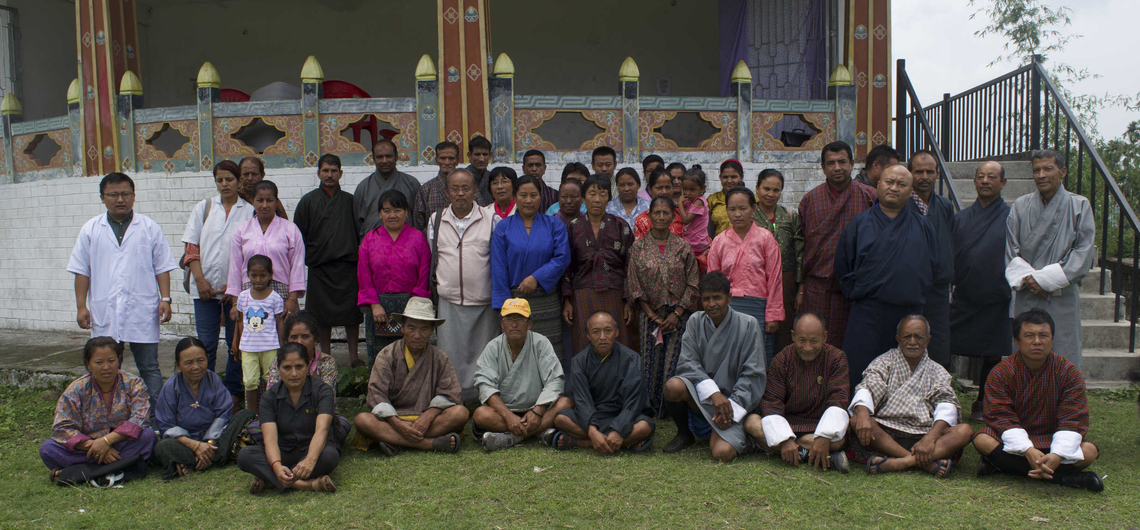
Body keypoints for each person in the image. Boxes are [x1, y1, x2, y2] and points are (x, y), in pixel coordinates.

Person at [69, 173, 177, 413]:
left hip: (142, 309)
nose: (120, 199)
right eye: (113, 195)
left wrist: (165, 299)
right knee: (107, 368)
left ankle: (156, 419)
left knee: (149, 367)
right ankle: (108, 415)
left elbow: (162, 267)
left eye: (125, 194)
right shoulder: (90, 229)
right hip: (105, 310)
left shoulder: (148, 227)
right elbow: (81, 271)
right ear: (102, 197)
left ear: (133, 196)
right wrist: (81, 306)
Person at [972, 309, 1104, 492]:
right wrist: (1027, 449)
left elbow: (1073, 418)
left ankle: (1003, 466)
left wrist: (1057, 454)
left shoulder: (1068, 372)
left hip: (1052, 439)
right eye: (1029, 336)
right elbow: (1000, 416)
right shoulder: (1001, 372)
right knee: (982, 439)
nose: (1037, 341)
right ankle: (1064, 478)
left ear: (1052, 339)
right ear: (1017, 341)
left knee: (1089, 451)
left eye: (1043, 335)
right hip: (1014, 443)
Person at [835, 165, 938, 385]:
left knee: (907, 374)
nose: (894, 188)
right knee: (862, 372)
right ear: (879, 184)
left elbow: (934, 266)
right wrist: (861, 291)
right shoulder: (859, 224)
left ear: (910, 190)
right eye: (889, 182)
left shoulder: (923, 226)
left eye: (901, 184)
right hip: (868, 314)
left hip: (909, 314)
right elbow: (843, 267)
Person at [848, 315, 973, 478]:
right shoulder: (884, 362)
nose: (912, 342)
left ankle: (900, 462)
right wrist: (863, 415)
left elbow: (946, 403)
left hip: (924, 435)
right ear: (898, 339)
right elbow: (869, 386)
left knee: (965, 431)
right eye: (907, 336)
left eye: (918, 337)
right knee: (857, 420)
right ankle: (921, 462)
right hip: (887, 432)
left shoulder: (937, 370)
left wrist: (930, 438)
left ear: (928, 340)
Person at [662, 272, 766, 462]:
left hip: (734, 403)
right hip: (706, 399)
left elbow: (753, 374)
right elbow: (688, 363)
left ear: (729, 298)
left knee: (722, 453)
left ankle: (749, 439)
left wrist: (731, 409)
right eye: (706, 299)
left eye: (717, 297)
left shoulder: (748, 325)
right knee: (672, 386)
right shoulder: (695, 321)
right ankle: (684, 434)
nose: (711, 304)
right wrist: (713, 393)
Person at [1006, 149, 1095, 368]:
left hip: (1060, 292)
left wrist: (1045, 280)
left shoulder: (1079, 205)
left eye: (1048, 169)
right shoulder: (1020, 205)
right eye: (1036, 170)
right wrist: (1030, 280)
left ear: (1062, 171)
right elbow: (1011, 250)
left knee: (1063, 351)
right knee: (1026, 350)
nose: (1041, 175)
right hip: (1027, 290)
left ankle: (1064, 390)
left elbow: (1083, 252)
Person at [353, 297, 469, 455]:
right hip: (393, 418)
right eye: (412, 328)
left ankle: (394, 440)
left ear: (432, 330)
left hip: (428, 419)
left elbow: (451, 392)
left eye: (424, 329)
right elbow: (376, 394)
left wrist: (428, 416)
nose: (417, 335)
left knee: (460, 413)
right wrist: (396, 423)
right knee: (362, 420)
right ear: (402, 328)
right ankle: (429, 444)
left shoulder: (439, 357)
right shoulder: (387, 355)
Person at [426, 168, 502, 402]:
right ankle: (452, 395)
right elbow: (433, 254)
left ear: (475, 190)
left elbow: (499, 258)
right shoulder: (436, 220)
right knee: (451, 352)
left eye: (466, 188)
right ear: (447, 192)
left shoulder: (491, 219)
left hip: (483, 300)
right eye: (455, 189)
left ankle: (485, 396)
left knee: (485, 352)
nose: (460, 193)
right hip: (449, 300)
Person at [183, 160, 254, 408]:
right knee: (206, 344)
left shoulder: (249, 211)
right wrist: (200, 281)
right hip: (203, 292)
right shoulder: (204, 208)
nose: (225, 184)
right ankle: (205, 390)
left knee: (236, 343)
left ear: (239, 181)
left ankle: (233, 392)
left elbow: (250, 253)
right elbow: (191, 248)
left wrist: (233, 288)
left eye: (229, 179)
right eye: (220, 180)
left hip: (235, 293)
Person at [743, 313, 850, 472]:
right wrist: (784, 438)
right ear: (793, 336)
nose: (807, 347)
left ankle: (775, 447)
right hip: (788, 423)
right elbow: (772, 402)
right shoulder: (781, 359)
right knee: (751, 422)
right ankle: (806, 454)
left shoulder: (836, 358)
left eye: (814, 341)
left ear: (825, 337)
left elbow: (839, 399)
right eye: (802, 340)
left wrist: (824, 436)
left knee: (838, 440)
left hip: (818, 426)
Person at [40, 337, 156, 484]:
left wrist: (106, 441)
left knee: (148, 436)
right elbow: (62, 428)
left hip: (120, 443)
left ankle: (78, 472)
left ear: (119, 360)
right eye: (99, 362)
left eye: (111, 361)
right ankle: (119, 467)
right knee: (48, 449)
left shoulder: (134, 383)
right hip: (86, 449)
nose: (106, 367)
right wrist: (96, 446)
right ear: (88, 364)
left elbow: (140, 418)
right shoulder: (76, 390)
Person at [798, 141, 877, 348]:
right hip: (818, 286)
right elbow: (803, 245)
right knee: (815, 342)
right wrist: (801, 287)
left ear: (852, 163)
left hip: (857, 286)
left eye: (842, 161)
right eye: (831, 163)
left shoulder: (870, 197)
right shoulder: (809, 200)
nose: (837, 167)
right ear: (823, 167)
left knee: (854, 343)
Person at [626, 196, 700, 414]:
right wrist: (652, 315)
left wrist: (677, 313)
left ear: (672, 216)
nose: (661, 217)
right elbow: (634, 284)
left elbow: (693, 282)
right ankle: (651, 405)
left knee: (674, 359)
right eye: (656, 212)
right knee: (650, 360)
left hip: (678, 314)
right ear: (649, 215)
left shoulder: (683, 247)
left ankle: (670, 407)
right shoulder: (638, 248)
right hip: (650, 313)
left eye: (666, 212)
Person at [237, 343, 342, 493]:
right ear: (278, 369)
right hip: (283, 452)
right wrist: (276, 465)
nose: (294, 373)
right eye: (287, 367)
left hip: (313, 450)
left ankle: (271, 480)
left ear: (307, 366)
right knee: (245, 456)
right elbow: (270, 439)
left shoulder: (322, 391)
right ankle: (304, 485)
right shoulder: (269, 397)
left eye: (299, 366)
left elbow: (322, 430)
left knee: (330, 456)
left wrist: (310, 460)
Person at [951, 161, 1011, 421]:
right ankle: (943, 398)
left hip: (996, 295)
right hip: (964, 294)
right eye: (981, 176)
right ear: (974, 181)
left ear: (1003, 183)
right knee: (945, 345)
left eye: (992, 177)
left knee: (993, 352)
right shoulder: (961, 218)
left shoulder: (1012, 217)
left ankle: (983, 401)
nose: (986, 181)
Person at [472, 298, 572, 450]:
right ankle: (539, 432)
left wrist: (537, 412)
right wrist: (508, 416)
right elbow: (484, 385)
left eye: (519, 319)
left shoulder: (541, 343)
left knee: (565, 403)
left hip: (537, 409)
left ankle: (511, 438)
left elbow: (555, 380)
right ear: (502, 324)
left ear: (529, 323)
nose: (514, 324)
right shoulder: (493, 347)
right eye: (509, 319)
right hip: (504, 412)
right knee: (481, 415)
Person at [550, 311, 655, 453]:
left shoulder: (631, 358)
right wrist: (592, 430)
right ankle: (619, 441)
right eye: (596, 332)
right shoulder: (579, 361)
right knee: (561, 418)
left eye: (608, 330)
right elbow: (583, 401)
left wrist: (618, 430)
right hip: (594, 416)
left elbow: (633, 402)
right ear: (588, 335)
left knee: (644, 427)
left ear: (616, 332)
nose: (602, 337)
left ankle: (581, 442)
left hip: (622, 414)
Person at [294, 154, 363, 367]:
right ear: (318, 173)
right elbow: (299, 235)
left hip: (347, 267)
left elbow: (359, 232)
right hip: (320, 267)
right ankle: (325, 356)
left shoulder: (350, 201)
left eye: (334, 171)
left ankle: (353, 356)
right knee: (321, 316)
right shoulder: (308, 201)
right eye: (325, 171)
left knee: (352, 314)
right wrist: (312, 256)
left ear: (341, 173)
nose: (330, 175)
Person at [491, 175, 571, 359]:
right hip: (514, 300)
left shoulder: (554, 225)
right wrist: (504, 306)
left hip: (546, 299)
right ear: (515, 197)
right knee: (516, 352)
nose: (528, 200)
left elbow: (562, 257)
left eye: (533, 195)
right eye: (523, 195)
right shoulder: (503, 227)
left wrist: (537, 278)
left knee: (548, 353)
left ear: (541, 196)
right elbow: (498, 267)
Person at [154, 337, 255, 480]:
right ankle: (217, 458)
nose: (196, 367)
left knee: (246, 414)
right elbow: (166, 425)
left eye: (200, 360)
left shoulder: (214, 380)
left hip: (216, 440)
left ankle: (193, 462)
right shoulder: (171, 386)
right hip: (186, 442)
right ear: (178, 365)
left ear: (207, 358)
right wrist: (195, 446)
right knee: (163, 446)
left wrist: (209, 444)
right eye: (189, 362)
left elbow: (224, 414)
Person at [707, 187, 784, 362]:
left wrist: (772, 315)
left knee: (758, 357)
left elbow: (774, 279)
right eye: (732, 209)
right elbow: (713, 280)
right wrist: (716, 310)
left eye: (743, 208)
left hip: (759, 307)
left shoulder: (766, 238)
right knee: (728, 358)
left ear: (753, 209)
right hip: (728, 306)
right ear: (726, 210)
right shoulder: (719, 241)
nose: (737, 214)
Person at [563, 176, 636, 354]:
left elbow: (631, 265)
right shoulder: (573, 227)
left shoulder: (621, 226)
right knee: (584, 342)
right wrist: (567, 300)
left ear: (609, 198)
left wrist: (629, 301)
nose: (597, 199)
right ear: (583, 197)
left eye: (602, 194)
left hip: (615, 293)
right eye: (592, 194)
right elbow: (566, 266)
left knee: (617, 343)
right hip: (583, 293)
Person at [358, 189, 431, 365]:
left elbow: (424, 272)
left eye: (397, 210)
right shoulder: (370, 239)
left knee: (412, 355)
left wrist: (414, 308)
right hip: (379, 309)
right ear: (380, 213)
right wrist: (374, 304)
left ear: (406, 212)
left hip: (410, 307)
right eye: (387, 210)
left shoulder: (418, 238)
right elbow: (364, 274)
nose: (392, 215)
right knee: (380, 358)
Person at [225, 180, 306, 321]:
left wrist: (292, 299)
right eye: (260, 200)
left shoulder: (290, 229)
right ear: (253, 201)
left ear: (276, 202)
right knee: (255, 330)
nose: (264, 205)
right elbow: (235, 267)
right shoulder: (241, 230)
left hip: (282, 293)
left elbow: (297, 266)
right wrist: (235, 302)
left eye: (269, 200)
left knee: (283, 333)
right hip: (249, 292)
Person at [907, 150, 955, 369]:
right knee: (908, 339)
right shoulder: (901, 204)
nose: (924, 177)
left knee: (938, 342)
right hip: (908, 287)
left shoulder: (945, 205)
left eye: (930, 171)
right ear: (910, 173)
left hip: (938, 288)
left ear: (937, 174)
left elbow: (950, 241)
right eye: (919, 172)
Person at [752, 169, 804, 352]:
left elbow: (800, 254)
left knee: (784, 331)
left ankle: (781, 367)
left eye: (776, 190)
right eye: (766, 188)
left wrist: (800, 290)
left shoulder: (790, 216)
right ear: (757, 188)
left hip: (785, 283)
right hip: (756, 282)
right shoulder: (749, 215)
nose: (771, 194)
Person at [232, 255, 286, 410]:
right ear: (247, 275)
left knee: (272, 380)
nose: (258, 280)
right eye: (253, 275)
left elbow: (279, 323)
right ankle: (251, 414)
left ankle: (271, 411)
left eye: (262, 275)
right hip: (248, 348)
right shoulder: (243, 297)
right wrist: (238, 343)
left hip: (270, 347)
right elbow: (240, 322)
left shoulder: (275, 298)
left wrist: (282, 345)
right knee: (250, 382)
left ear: (270, 275)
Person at [353, 139, 421, 237]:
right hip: (372, 242)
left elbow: (419, 219)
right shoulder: (363, 187)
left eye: (388, 156)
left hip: (406, 241)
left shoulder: (411, 184)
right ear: (373, 159)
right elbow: (357, 223)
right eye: (379, 157)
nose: (384, 161)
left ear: (396, 157)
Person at [411, 141, 461, 231]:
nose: (447, 162)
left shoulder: (469, 188)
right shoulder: (426, 189)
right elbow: (418, 224)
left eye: (451, 158)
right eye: (442, 158)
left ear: (457, 161)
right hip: (433, 238)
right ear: (436, 161)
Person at [633, 167, 684, 239]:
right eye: (659, 188)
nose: (664, 192)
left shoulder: (683, 216)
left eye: (668, 187)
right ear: (650, 189)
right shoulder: (642, 220)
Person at [677, 166, 711, 264]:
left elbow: (686, 220)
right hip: (694, 240)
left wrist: (679, 203)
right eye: (685, 189)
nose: (687, 193)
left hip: (696, 242)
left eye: (692, 189)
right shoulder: (693, 200)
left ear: (702, 188)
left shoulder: (699, 202)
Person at [707, 160, 749, 236]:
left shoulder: (752, 199)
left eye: (733, 177)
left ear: (741, 177)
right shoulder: (712, 200)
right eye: (725, 177)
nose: (729, 181)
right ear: (720, 177)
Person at [466, 136, 494, 206]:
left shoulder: (493, 178)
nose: (481, 159)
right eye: (477, 154)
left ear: (490, 155)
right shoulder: (461, 177)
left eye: (485, 154)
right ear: (469, 155)